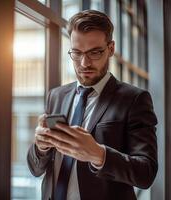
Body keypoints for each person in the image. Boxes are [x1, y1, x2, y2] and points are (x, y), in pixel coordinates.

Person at [27, 10, 158, 200]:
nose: (84, 62)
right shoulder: (56, 95)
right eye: (77, 52)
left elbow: (146, 173)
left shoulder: (135, 99)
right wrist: (41, 147)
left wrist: (99, 154)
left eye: (94, 52)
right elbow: (35, 168)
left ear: (111, 49)